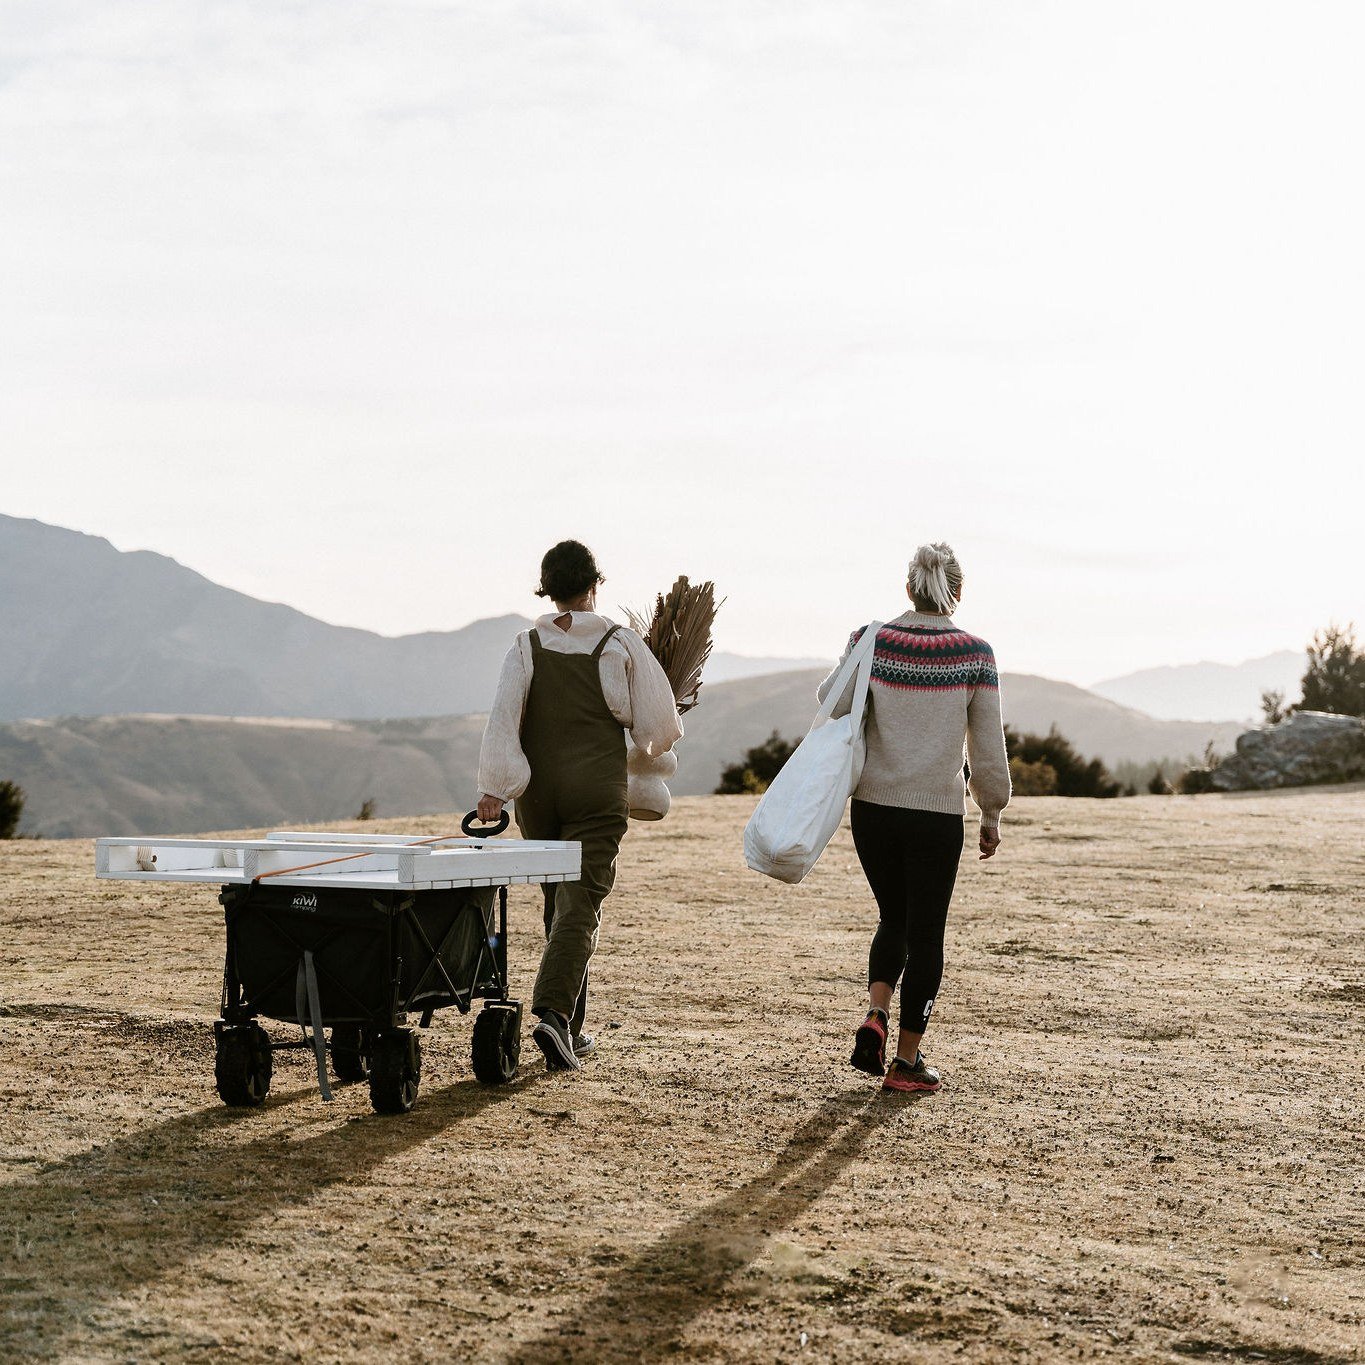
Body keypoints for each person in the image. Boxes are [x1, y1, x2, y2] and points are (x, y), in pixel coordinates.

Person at [476, 540, 682, 1071]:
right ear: (594, 586)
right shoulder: (620, 643)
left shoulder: (525, 645)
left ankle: (572, 1026)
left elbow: (503, 719)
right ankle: (553, 1016)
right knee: (581, 904)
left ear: (547, 589)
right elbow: (659, 728)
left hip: (540, 797)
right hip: (595, 792)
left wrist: (495, 791)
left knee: (559, 903)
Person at [818, 542, 1010, 1094]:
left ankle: (875, 1013)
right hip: (935, 815)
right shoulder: (975, 653)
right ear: (956, 591)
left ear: (909, 588)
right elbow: (989, 748)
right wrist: (991, 811)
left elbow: (832, 702)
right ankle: (905, 1062)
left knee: (892, 917)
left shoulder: (871, 640)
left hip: (873, 810)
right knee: (926, 933)